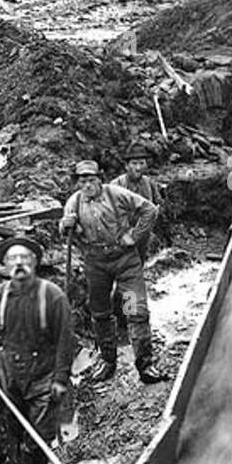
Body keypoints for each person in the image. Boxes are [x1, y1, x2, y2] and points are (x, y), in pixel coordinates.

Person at [60, 159, 167, 384]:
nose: (87, 185)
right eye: (82, 181)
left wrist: (134, 237)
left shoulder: (116, 194)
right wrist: (66, 225)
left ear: (100, 179)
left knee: (134, 309)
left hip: (124, 261)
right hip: (96, 264)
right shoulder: (74, 202)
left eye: (91, 179)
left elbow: (149, 210)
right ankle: (108, 361)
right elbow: (65, 232)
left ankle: (145, 365)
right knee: (100, 313)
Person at [0, 236, 75, 464]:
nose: (18, 263)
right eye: (12, 259)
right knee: (16, 431)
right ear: (4, 265)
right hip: (10, 377)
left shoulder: (52, 296)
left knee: (38, 437)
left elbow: (66, 340)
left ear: (35, 263)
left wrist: (61, 379)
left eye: (24, 258)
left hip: (44, 378)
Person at [111, 142, 162, 261]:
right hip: (122, 237)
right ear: (126, 166)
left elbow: (157, 204)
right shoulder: (116, 185)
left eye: (141, 163)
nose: (138, 168)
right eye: (134, 164)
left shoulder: (149, 183)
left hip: (143, 234)